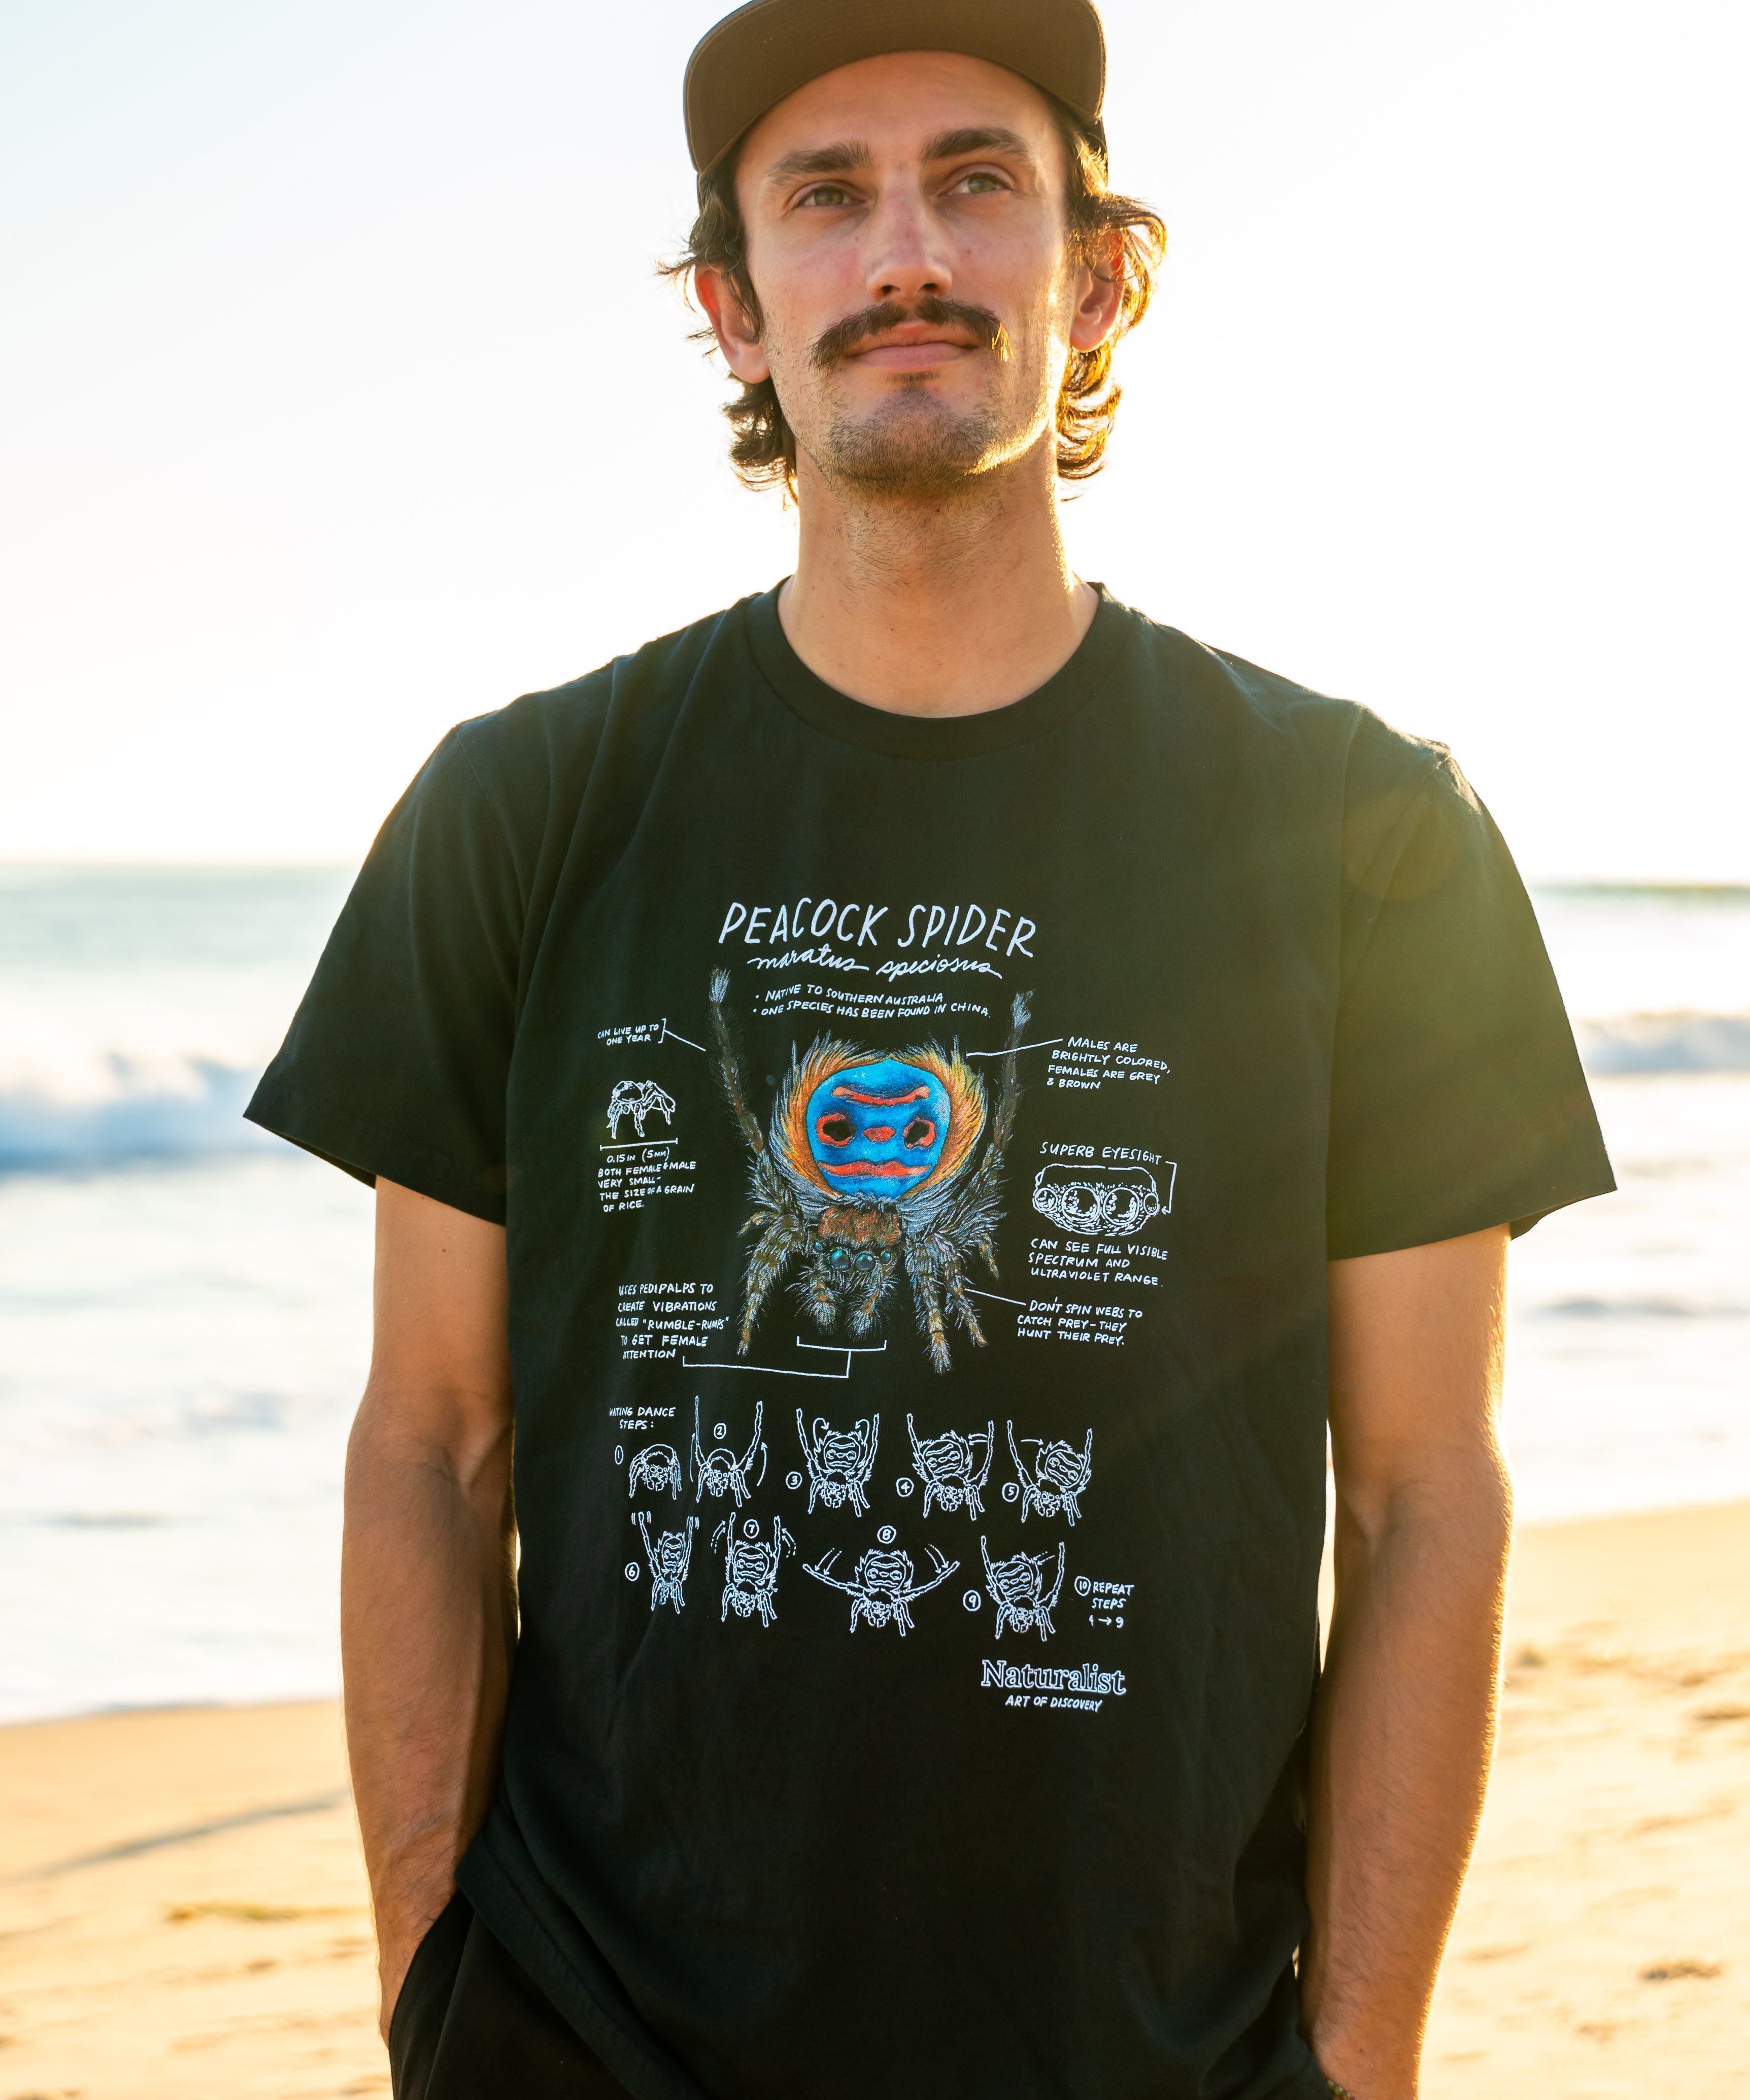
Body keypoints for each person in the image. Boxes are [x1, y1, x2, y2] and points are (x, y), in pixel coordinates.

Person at [247, 1, 1615, 2093]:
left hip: (1154, 2046)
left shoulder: (1363, 830)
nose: (906, 253)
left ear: (1099, 278)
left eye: (976, 182)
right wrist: (430, 1976)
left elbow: (1429, 1489)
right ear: (733, 307)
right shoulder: (521, 808)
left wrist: (1356, 2059)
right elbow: (429, 1438)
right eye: (826, 197)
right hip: (587, 2036)